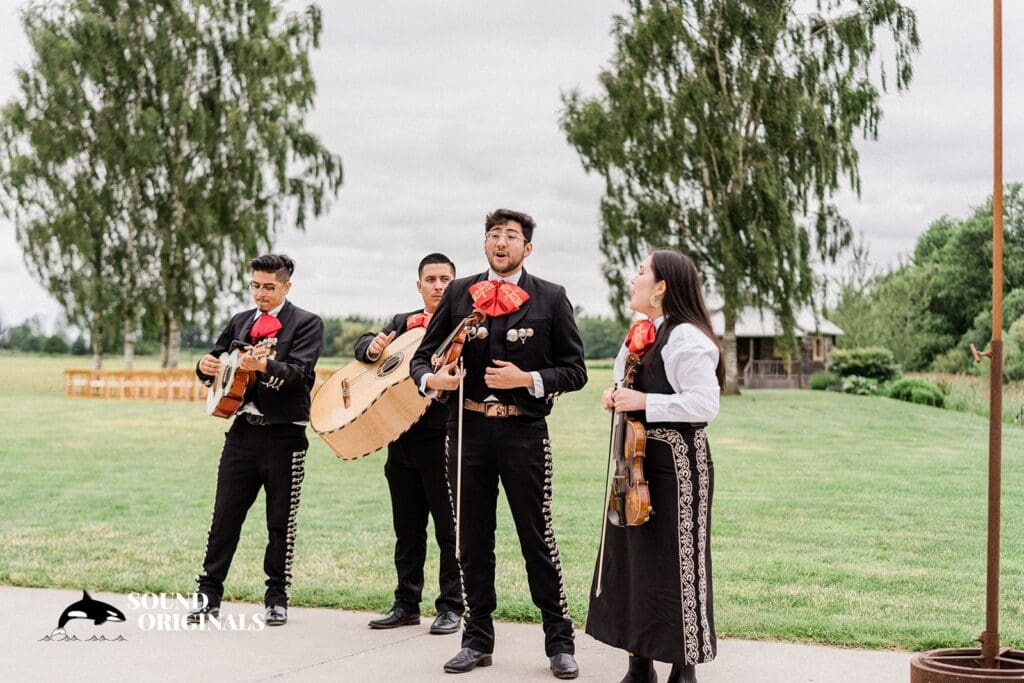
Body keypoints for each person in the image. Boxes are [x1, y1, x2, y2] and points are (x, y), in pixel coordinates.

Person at [410, 209, 587, 680]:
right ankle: (477, 639)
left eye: (510, 236)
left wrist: (526, 378)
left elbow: (575, 370)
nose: (500, 242)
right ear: (484, 244)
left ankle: (559, 641)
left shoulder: (551, 297)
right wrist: (433, 379)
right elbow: (423, 356)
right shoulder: (458, 292)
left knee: (537, 537)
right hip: (466, 432)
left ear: (527, 248)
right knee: (472, 539)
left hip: (524, 432)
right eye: (493, 235)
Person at [585, 250, 723, 683]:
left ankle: (683, 668)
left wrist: (643, 402)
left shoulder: (687, 338)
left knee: (677, 562)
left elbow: (705, 403)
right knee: (632, 563)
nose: (634, 277)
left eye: (641, 271)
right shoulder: (640, 333)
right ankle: (638, 663)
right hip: (634, 462)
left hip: (676, 467)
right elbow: (629, 384)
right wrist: (615, 394)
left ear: (661, 286)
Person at [188, 254, 324, 627]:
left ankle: (277, 597)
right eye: (255, 286)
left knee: (281, 522)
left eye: (269, 287)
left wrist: (263, 366)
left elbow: (298, 373)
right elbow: (215, 361)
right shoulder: (239, 322)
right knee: (224, 517)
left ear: (286, 286)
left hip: (286, 435)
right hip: (242, 434)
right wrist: (204, 367)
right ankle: (208, 595)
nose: (260, 294)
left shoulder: (307, 324)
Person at [354, 253, 463, 635]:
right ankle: (406, 604)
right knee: (407, 528)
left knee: (449, 530)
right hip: (399, 439)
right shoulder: (403, 322)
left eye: (444, 278)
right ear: (419, 286)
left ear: (455, 283)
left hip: (444, 437)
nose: (437, 285)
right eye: (430, 279)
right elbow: (366, 345)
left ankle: (452, 606)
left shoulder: (464, 323)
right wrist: (372, 347)